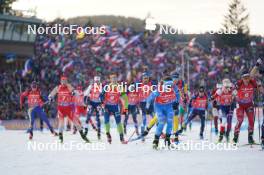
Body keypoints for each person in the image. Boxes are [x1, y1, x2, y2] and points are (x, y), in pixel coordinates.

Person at [48, 75, 90, 143]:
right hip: (61, 108)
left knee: (76, 123)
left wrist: (74, 93)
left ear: (66, 81)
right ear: (60, 81)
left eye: (65, 81)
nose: (64, 82)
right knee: (61, 123)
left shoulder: (69, 86)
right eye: (62, 81)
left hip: (68, 109)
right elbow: (51, 94)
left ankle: (83, 137)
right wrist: (50, 97)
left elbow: (75, 92)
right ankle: (60, 138)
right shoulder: (58, 88)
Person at [146, 76, 179, 149]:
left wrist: (176, 103)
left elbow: (177, 95)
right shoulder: (159, 89)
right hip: (159, 106)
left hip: (169, 105)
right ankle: (156, 140)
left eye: (171, 85)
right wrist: (147, 107)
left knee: (170, 122)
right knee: (161, 122)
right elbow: (149, 98)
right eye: (168, 86)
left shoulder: (174, 87)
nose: (169, 87)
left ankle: (167, 139)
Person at [232, 70, 262, 144]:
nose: (246, 80)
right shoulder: (239, 83)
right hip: (240, 105)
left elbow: (260, 89)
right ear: (242, 78)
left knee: (251, 120)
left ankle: (250, 138)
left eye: (247, 78)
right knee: (240, 120)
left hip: (249, 104)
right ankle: (235, 138)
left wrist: (259, 86)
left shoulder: (252, 82)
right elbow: (233, 91)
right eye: (245, 78)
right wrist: (234, 94)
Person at [100, 73, 126, 144]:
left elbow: (125, 98)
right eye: (112, 78)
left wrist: (125, 108)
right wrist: (102, 104)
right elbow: (101, 96)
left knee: (118, 122)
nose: (113, 79)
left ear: (117, 78)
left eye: (115, 78)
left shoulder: (120, 87)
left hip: (115, 107)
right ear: (110, 79)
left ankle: (121, 137)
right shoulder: (107, 86)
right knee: (106, 121)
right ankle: (108, 134)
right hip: (107, 107)